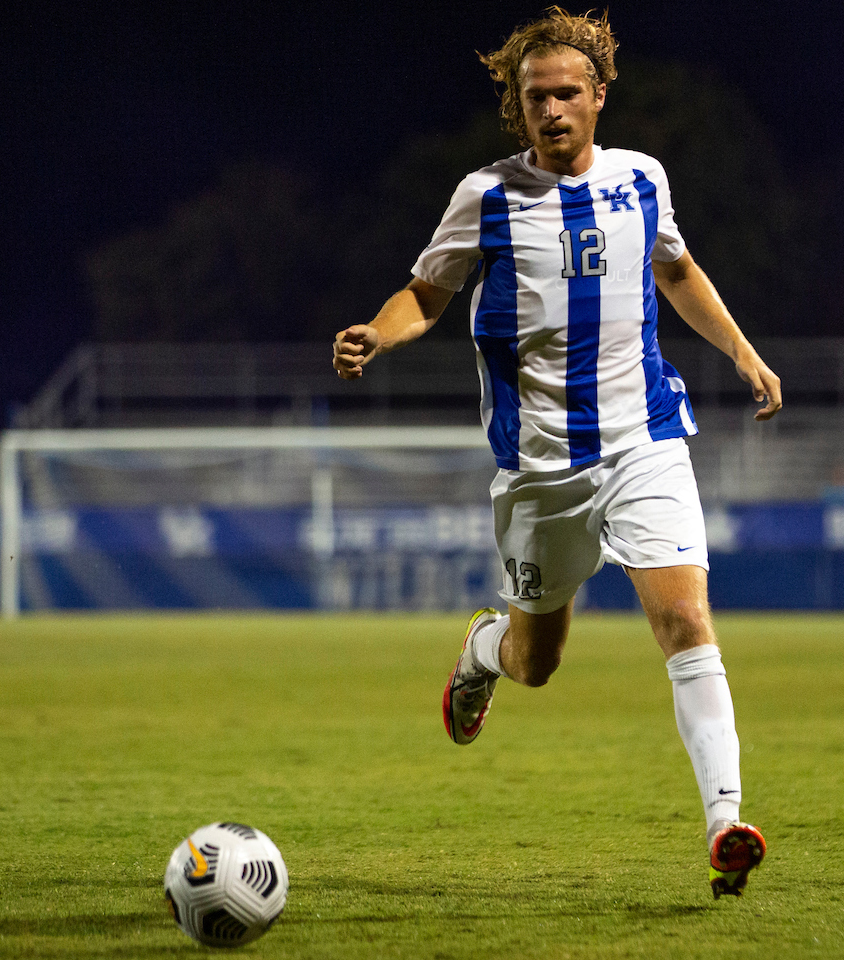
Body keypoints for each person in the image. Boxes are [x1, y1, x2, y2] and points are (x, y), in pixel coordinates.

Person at [332, 7, 780, 899]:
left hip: (645, 440)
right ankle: (482, 653)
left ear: (599, 94)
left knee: (685, 622)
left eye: (568, 93)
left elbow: (676, 270)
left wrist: (742, 352)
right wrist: (379, 333)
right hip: (540, 467)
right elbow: (425, 294)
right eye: (535, 96)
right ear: (518, 104)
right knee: (537, 663)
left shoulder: (641, 179)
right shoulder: (487, 196)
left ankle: (725, 824)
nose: (551, 109)